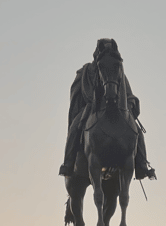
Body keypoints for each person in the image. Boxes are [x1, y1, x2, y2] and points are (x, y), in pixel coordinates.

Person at [59, 38, 156, 181]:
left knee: (137, 132)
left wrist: (131, 103)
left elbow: (128, 93)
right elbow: (78, 93)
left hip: (116, 109)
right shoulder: (86, 71)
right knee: (75, 127)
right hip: (92, 108)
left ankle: (141, 165)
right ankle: (68, 163)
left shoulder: (117, 69)